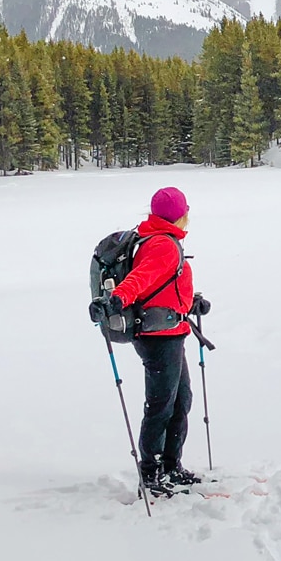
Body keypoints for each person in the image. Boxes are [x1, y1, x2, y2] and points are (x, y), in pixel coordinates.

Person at [102, 186, 208, 497]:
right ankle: (150, 475)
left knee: (180, 400)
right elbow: (140, 280)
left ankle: (171, 466)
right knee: (162, 406)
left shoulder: (157, 239)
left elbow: (163, 286)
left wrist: (191, 303)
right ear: (180, 214)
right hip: (159, 338)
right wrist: (117, 299)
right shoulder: (162, 244)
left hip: (170, 332)